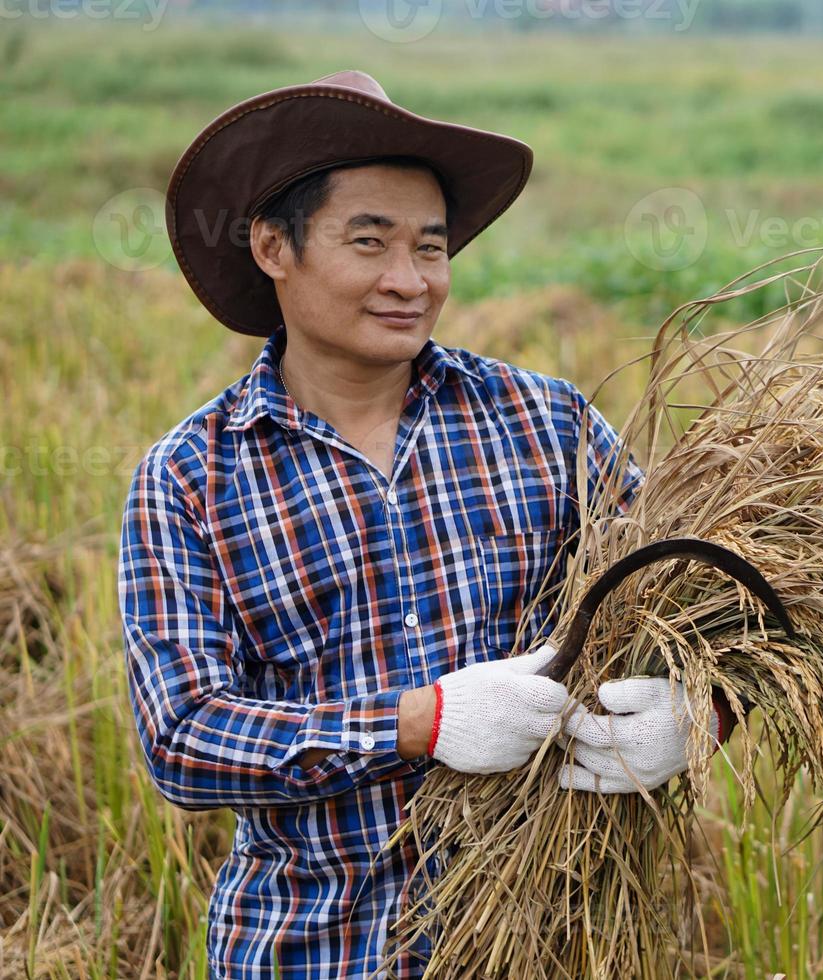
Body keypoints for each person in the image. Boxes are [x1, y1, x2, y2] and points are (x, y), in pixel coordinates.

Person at [118, 70, 736, 979]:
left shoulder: (544, 424)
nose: (409, 281)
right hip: (314, 947)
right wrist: (421, 723)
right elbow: (183, 738)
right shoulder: (192, 478)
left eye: (431, 249)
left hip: (552, 935)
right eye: (369, 243)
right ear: (272, 247)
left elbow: (697, 595)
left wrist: (705, 711)